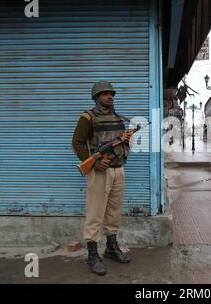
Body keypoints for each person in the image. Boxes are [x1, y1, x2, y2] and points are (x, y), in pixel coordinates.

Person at [71, 81, 132, 276]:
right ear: (96, 97)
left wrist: (125, 141)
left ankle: (111, 248)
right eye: (104, 94)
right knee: (95, 213)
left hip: (118, 170)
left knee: (114, 212)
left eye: (111, 93)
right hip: (99, 172)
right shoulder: (87, 118)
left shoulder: (119, 118)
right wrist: (93, 162)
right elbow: (77, 143)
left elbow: (121, 143)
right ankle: (92, 254)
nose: (110, 96)